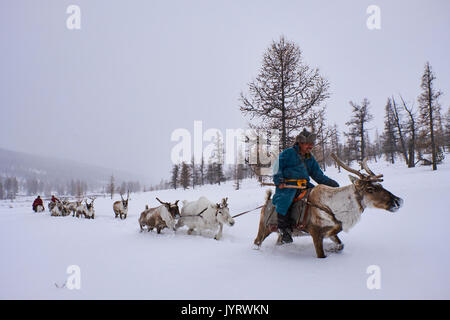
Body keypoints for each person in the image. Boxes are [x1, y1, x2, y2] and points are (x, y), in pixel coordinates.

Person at [272, 128, 339, 244]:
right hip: (287, 186)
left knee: (318, 198)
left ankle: (316, 223)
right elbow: (277, 167)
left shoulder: (309, 158)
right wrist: (279, 180)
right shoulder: (288, 154)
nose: (310, 146)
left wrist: (332, 184)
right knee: (284, 201)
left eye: (312, 144)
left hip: (305, 186)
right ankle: (284, 230)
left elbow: (318, 175)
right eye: (308, 144)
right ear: (300, 143)